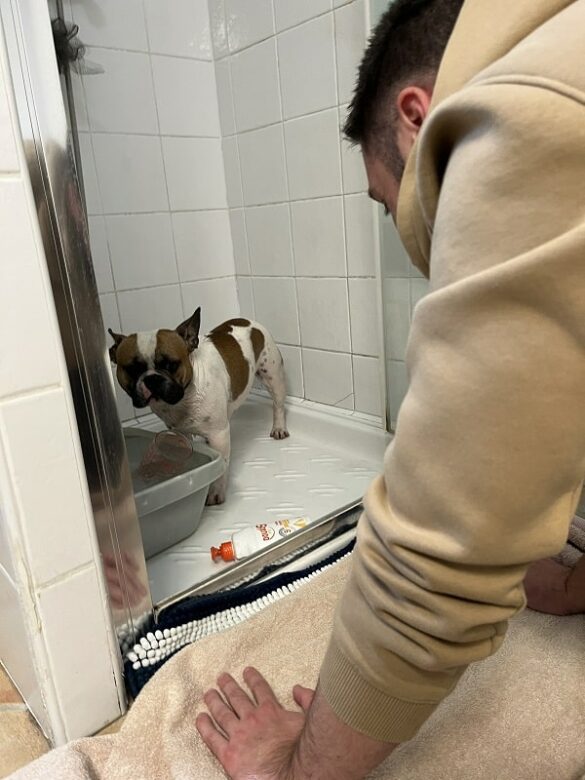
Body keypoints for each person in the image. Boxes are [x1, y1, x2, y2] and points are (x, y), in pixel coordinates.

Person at [196, 0, 585, 778]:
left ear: (416, 120)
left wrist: (298, 766)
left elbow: (437, 555)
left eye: (390, 207)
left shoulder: (524, 114)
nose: (414, 251)